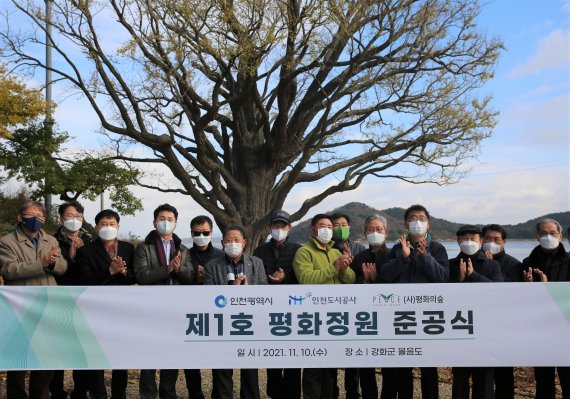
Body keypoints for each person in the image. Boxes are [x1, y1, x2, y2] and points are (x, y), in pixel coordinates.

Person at [378, 204, 449, 399]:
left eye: (421, 218)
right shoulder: (397, 248)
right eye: (412, 218)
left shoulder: (437, 248)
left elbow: (443, 278)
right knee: (401, 367)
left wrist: (425, 257)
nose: (417, 222)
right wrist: (404, 257)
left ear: (428, 224)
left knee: (428, 368)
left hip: (427, 317)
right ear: (406, 223)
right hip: (402, 317)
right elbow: (385, 275)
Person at [0, 200, 67, 399]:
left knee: (46, 354)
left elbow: (62, 267)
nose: (36, 219)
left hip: (48, 305)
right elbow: (9, 270)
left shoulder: (51, 241)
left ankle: (41, 394)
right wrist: (41, 263)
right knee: (18, 356)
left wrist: (54, 265)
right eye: (30, 215)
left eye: (40, 216)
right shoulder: (7, 242)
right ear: (20, 217)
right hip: (19, 306)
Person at [134, 204, 195, 399]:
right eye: (162, 219)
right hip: (151, 309)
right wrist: (167, 269)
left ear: (176, 224)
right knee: (149, 356)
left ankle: (168, 393)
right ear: (154, 222)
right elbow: (142, 276)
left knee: (172, 354)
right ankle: (148, 394)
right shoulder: (145, 247)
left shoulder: (183, 249)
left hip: (176, 309)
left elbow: (190, 277)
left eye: (170, 219)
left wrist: (178, 270)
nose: (165, 223)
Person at [293, 213, 355, 399]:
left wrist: (343, 270)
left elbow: (351, 280)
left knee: (330, 367)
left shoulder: (337, 251)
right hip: (313, 318)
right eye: (323, 226)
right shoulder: (304, 252)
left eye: (330, 227)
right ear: (313, 230)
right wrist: (333, 268)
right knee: (313, 367)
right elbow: (306, 280)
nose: (328, 230)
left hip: (335, 317)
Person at [75, 209, 135, 399]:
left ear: (118, 226)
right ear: (96, 227)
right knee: (97, 357)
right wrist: (109, 271)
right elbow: (83, 281)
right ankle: (98, 394)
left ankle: (120, 394)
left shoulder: (128, 248)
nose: (108, 228)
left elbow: (133, 277)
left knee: (120, 358)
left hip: (122, 311)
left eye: (112, 224)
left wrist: (124, 273)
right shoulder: (86, 251)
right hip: (96, 311)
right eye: (103, 224)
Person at [204, 225, 267, 399]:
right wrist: (230, 293)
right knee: (222, 369)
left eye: (237, 240)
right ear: (223, 243)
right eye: (229, 240)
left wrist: (248, 292)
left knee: (249, 370)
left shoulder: (256, 263)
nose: (233, 243)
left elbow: (265, 293)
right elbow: (207, 296)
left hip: (248, 323)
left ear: (244, 243)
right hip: (222, 324)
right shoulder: (212, 266)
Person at [449, 224, 503, 399]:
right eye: (464, 238)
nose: (468, 242)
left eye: (473, 238)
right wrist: (459, 280)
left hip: (485, 330)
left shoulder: (492, 265)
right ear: (458, 241)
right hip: (459, 328)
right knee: (459, 379)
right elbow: (444, 296)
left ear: (480, 242)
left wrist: (473, 276)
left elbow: (499, 292)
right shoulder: (450, 265)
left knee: (485, 379)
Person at [253, 210, 302, 399]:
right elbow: (256, 275)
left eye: (282, 226)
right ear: (270, 227)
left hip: (293, 311)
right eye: (275, 226)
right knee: (272, 357)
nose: (279, 229)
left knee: (293, 358)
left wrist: (285, 278)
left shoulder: (298, 249)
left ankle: (292, 394)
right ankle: (274, 393)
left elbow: (301, 277)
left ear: (289, 228)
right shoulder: (260, 250)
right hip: (269, 312)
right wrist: (269, 278)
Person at [522, 218, 569, 399]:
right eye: (543, 233)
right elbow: (520, 299)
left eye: (553, 233)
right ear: (537, 236)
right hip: (539, 328)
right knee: (543, 379)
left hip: (565, 327)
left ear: (561, 236)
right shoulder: (528, 262)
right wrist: (527, 285)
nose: (548, 237)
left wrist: (548, 289)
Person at [51, 201, 93, 399]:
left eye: (78, 216)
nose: (74, 219)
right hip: (58, 301)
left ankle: (80, 391)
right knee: (57, 349)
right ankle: (56, 391)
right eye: (69, 215)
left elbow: (91, 272)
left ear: (83, 218)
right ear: (61, 218)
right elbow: (54, 272)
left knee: (81, 349)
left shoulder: (91, 240)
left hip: (85, 302)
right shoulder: (51, 241)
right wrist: (72, 257)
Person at [350, 214, 392, 398]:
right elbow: (351, 285)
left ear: (386, 233)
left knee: (389, 364)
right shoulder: (359, 258)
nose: (375, 233)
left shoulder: (394, 255)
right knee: (366, 363)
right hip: (365, 318)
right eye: (371, 230)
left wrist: (378, 280)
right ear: (365, 233)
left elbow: (398, 284)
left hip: (388, 317)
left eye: (379, 230)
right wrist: (365, 280)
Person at [482, 224, 523, 399]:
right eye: (488, 239)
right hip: (482, 324)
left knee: (504, 373)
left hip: (505, 325)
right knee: (483, 374)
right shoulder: (475, 260)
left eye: (496, 239)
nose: (491, 242)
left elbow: (514, 292)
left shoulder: (514, 264)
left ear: (504, 242)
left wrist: (493, 267)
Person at [185, 215, 223, 398]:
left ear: (211, 232)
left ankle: (219, 392)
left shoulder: (221, 255)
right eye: (197, 233)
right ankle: (195, 393)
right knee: (191, 357)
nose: (201, 236)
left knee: (218, 355)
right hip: (190, 311)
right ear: (191, 233)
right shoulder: (184, 255)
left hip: (216, 312)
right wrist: (195, 278)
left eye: (205, 232)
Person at [330, 212, 365, 399]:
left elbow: (362, 274)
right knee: (332, 352)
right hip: (331, 306)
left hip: (354, 307)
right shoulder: (327, 248)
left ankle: (353, 392)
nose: (340, 228)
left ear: (349, 228)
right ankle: (332, 391)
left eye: (344, 224)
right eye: (336, 225)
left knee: (352, 352)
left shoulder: (359, 248)